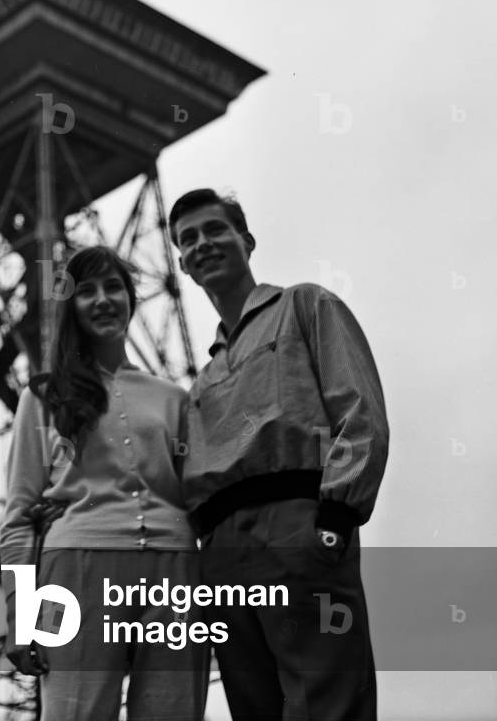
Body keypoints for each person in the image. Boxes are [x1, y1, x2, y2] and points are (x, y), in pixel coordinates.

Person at [168, 188, 389, 721]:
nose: (203, 244)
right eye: (188, 239)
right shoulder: (199, 383)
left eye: (215, 230)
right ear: (181, 265)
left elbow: (359, 412)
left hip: (296, 526)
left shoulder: (305, 305)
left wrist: (335, 516)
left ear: (246, 240)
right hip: (219, 551)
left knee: (325, 701)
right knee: (254, 706)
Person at [0, 245, 209, 721]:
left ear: (131, 299)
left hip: (173, 575)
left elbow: (199, 494)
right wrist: (18, 616)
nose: (103, 300)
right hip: (72, 574)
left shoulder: (173, 399)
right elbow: (18, 518)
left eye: (113, 287)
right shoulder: (44, 397)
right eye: (86, 291)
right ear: (70, 307)